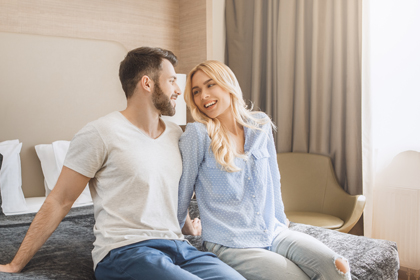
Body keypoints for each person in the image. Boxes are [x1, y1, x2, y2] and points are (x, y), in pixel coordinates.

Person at [0, 48, 245, 280]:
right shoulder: (100, 133)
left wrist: (189, 227)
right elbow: (60, 200)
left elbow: (167, 192)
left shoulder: (175, 134)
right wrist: (15, 263)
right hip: (126, 251)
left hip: (179, 247)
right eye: (171, 81)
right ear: (147, 83)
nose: (179, 91)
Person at [177, 60, 352, 280]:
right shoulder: (198, 134)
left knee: (338, 266)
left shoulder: (260, 125)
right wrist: (184, 230)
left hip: (273, 230)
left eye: (210, 85)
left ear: (228, 84)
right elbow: (181, 192)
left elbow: (273, 178)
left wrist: (281, 218)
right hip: (231, 242)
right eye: (196, 91)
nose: (203, 96)